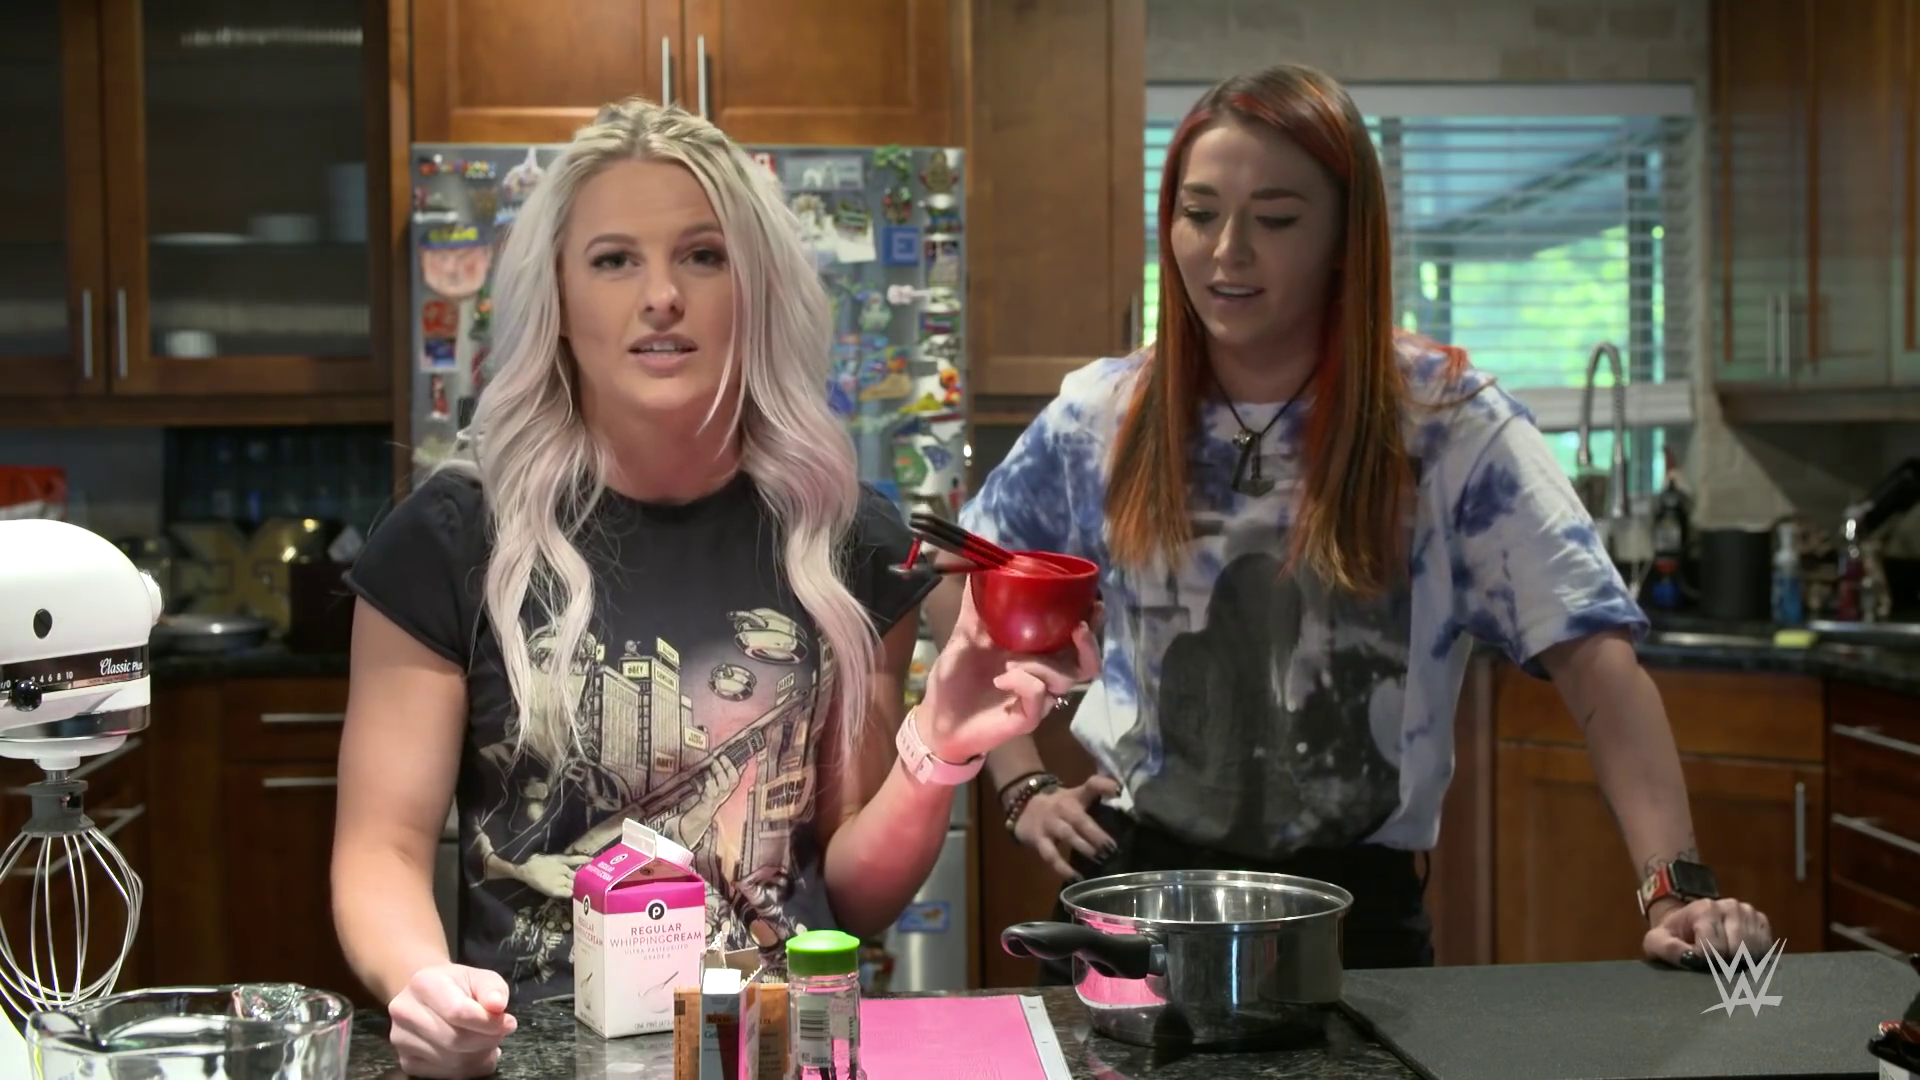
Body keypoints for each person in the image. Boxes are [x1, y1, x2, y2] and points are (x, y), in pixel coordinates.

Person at [926, 63, 1774, 981]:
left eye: (1276, 219)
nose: (1227, 251)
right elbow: (958, 582)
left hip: (1351, 920)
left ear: (1344, 237)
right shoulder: (1104, 414)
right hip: (1134, 894)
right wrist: (1021, 783)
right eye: (1200, 213)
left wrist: (1674, 890)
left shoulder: (1449, 426)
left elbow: (1599, 668)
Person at [332, 96, 1098, 1079]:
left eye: (702, 256)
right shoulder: (449, 539)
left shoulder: (847, 541)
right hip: (537, 1056)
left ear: (755, 288)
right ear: (558, 299)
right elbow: (383, 850)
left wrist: (940, 749)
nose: (661, 296)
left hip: (778, 1055)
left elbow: (854, 897)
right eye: (614, 260)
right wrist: (424, 986)